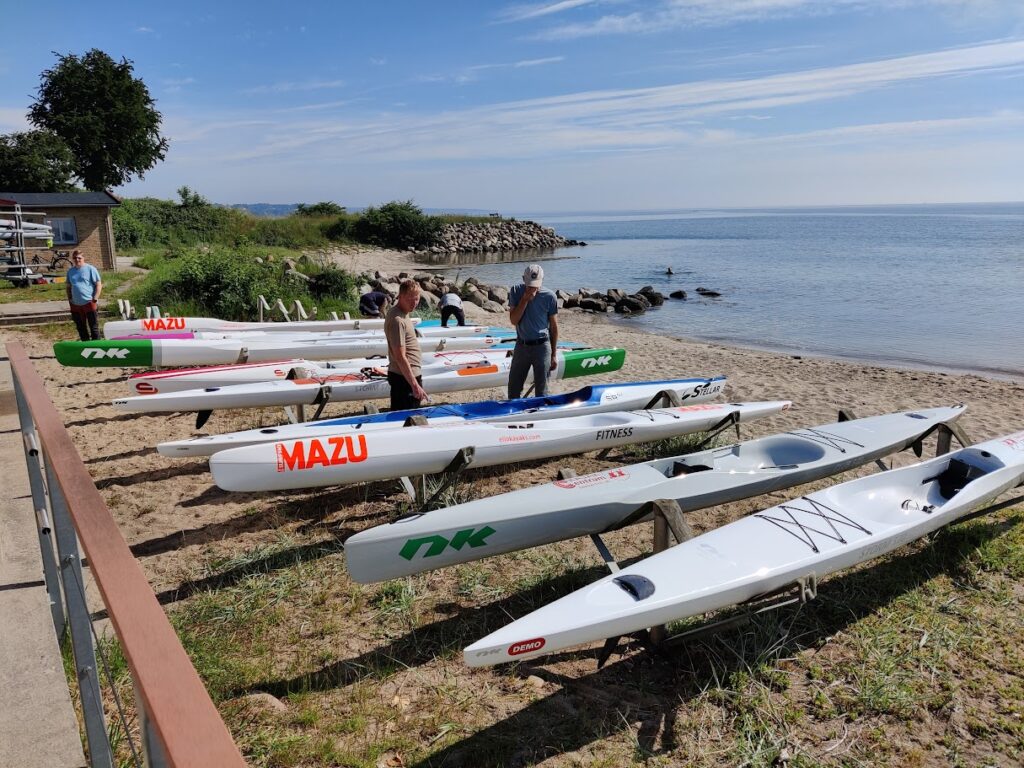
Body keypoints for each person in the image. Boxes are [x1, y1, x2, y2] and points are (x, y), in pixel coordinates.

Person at [508, 263, 558, 399]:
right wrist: (524, 300)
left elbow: (553, 327)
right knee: (514, 388)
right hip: (521, 346)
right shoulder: (515, 291)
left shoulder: (550, 296)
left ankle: (538, 417)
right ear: (523, 279)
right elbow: (513, 320)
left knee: (542, 391)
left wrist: (554, 354)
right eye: (529, 284)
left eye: (535, 285)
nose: (533, 288)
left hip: (542, 347)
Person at [384, 279, 426, 410]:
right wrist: (414, 385)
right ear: (400, 297)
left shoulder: (403, 313)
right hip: (404, 379)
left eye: (417, 299)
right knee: (407, 419)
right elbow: (400, 356)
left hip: (407, 376)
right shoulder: (397, 320)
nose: (414, 303)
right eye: (409, 299)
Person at [65, 250, 102, 341]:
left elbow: (98, 284)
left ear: (83, 258)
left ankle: (97, 346)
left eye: (79, 258)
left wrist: (95, 298)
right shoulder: (71, 271)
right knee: (81, 328)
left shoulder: (90, 269)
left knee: (93, 327)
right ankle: (85, 346)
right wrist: (70, 298)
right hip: (75, 304)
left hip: (89, 302)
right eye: (75, 258)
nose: (77, 260)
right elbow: (68, 286)